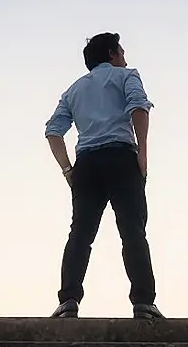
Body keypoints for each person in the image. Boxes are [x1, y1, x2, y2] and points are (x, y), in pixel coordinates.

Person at [44, 32, 164, 320]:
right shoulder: (126, 76)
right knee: (133, 232)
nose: (125, 57)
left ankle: (68, 300)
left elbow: (53, 131)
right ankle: (143, 302)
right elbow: (138, 106)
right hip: (121, 157)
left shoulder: (74, 90)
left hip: (86, 163)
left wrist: (67, 169)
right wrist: (143, 153)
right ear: (112, 53)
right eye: (122, 51)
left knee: (80, 234)